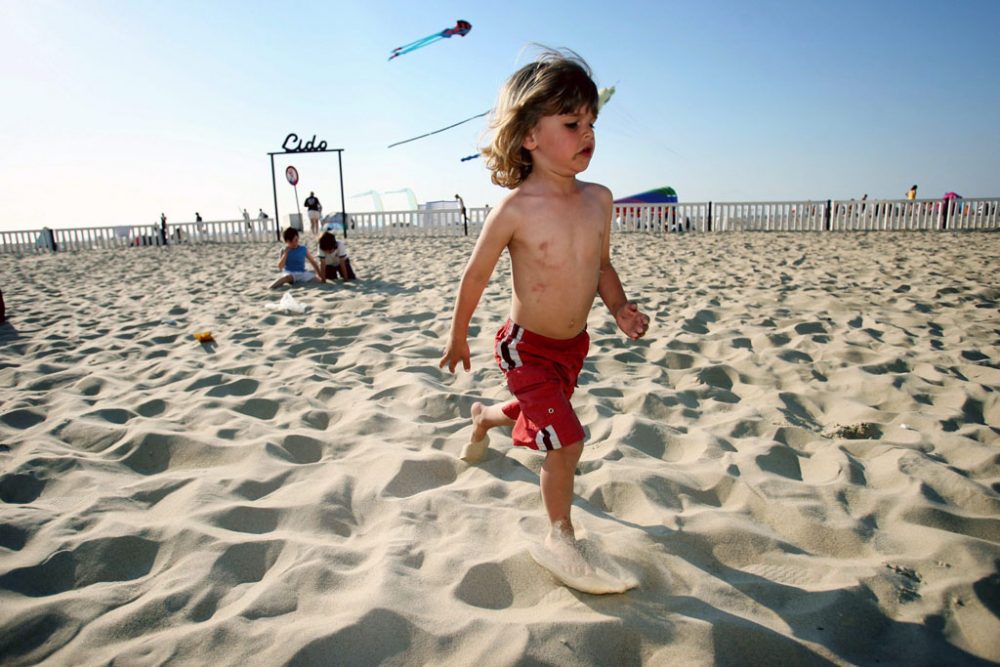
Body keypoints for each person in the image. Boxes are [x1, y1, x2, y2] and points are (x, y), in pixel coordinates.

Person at [438, 50, 649, 579]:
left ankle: (485, 417)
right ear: (529, 136)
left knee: (541, 412)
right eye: (572, 122)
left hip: (571, 347)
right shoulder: (514, 209)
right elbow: (476, 276)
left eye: (592, 123)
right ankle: (562, 536)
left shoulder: (599, 200)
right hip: (524, 346)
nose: (587, 133)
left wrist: (619, 306)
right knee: (568, 439)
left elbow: (601, 266)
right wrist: (458, 336)